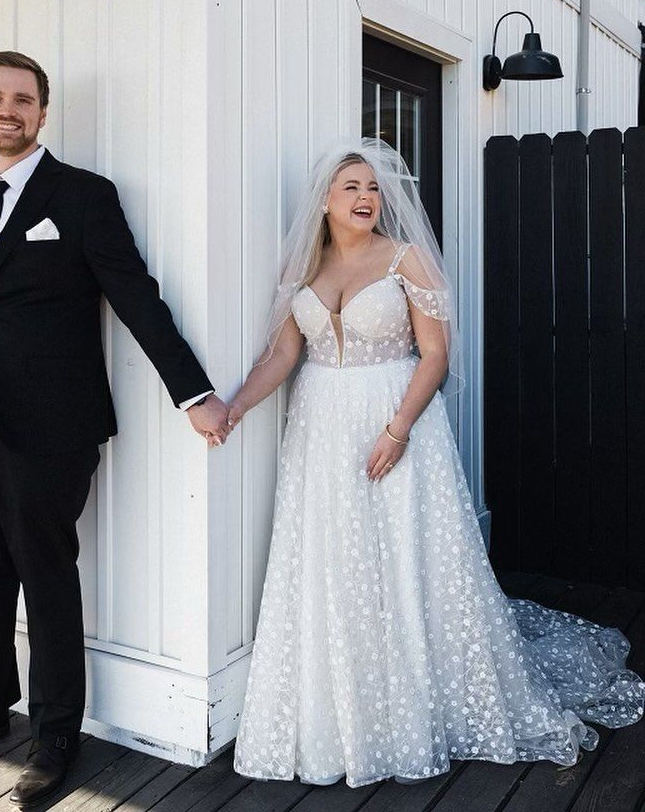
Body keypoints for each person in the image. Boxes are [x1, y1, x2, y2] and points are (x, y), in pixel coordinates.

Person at [230, 139, 645, 787]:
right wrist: (232, 409)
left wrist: (397, 431)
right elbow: (281, 359)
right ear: (324, 203)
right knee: (337, 557)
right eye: (352, 188)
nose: (367, 197)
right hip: (321, 429)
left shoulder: (406, 260)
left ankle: (422, 691)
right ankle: (350, 700)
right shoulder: (302, 273)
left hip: (396, 418)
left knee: (404, 551)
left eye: (373, 188)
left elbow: (435, 356)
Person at [0, 51, 231, 807]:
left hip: (48, 425)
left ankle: (54, 734)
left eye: (22, 99)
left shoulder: (81, 197)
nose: (6, 109)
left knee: (44, 572)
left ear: (43, 113)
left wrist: (193, 393)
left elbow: (136, 296)